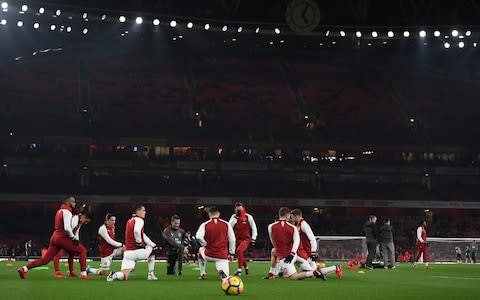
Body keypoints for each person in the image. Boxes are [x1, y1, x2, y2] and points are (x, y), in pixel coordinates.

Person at [17, 196, 92, 280]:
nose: (74, 203)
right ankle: (83, 274)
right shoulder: (67, 212)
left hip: (55, 237)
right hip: (62, 238)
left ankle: (24, 269)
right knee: (82, 250)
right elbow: (67, 228)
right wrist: (73, 238)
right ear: (68, 202)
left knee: (44, 260)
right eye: (73, 202)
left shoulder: (59, 211)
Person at [267, 207, 330, 281]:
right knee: (273, 252)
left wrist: (280, 249)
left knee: (294, 277)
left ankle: (314, 273)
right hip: (295, 255)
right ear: (288, 215)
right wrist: (293, 253)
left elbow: (272, 240)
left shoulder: (270, 226)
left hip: (287, 257)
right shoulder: (293, 227)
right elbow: (297, 241)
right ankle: (273, 273)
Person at [107, 205, 158, 281]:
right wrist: (139, 243)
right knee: (154, 249)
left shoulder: (129, 221)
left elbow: (142, 234)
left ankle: (115, 275)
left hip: (128, 253)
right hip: (136, 251)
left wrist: (151, 243)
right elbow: (137, 231)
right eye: (143, 210)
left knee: (124, 275)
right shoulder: (139, 220)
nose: (145, 212)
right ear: (138, 211)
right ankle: (151, 274)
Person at [196, 206, 235, 280]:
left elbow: (198, 237)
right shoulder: (226, 224)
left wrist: (205, 244)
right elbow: (232, 239)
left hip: (209, 255)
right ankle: (221, 271)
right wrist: (231, 253)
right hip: (222, 256)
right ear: (219, 214)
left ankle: (203, 274)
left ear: (209, 214)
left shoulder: (205, 224)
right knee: (225, 279)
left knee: (200, 250)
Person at [53, 213, 91, 278]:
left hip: (65, 237)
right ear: (84, 217)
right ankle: (82, 274)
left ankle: (70, 272)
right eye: (86, 221)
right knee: (58, 253)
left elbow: (77, 231)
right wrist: (73, 239)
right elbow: (68, 230)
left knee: (72, 253)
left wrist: (77, 241)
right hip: (61, 237)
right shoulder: (75, 219)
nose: (86, 223)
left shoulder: (79, 220)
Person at [228, 202, 258, 276]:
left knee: (239, 251)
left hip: (246, 239)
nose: (239, 211)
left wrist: (253, 239)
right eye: (237, 210)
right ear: (235, 210)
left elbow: (254, 228)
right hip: (236, 239)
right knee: (239, 254)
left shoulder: (248, 216)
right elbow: (229, 227)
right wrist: (235, 219)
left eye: (240, 210)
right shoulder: (233, 217)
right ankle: (246, 267)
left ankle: (239, 270)